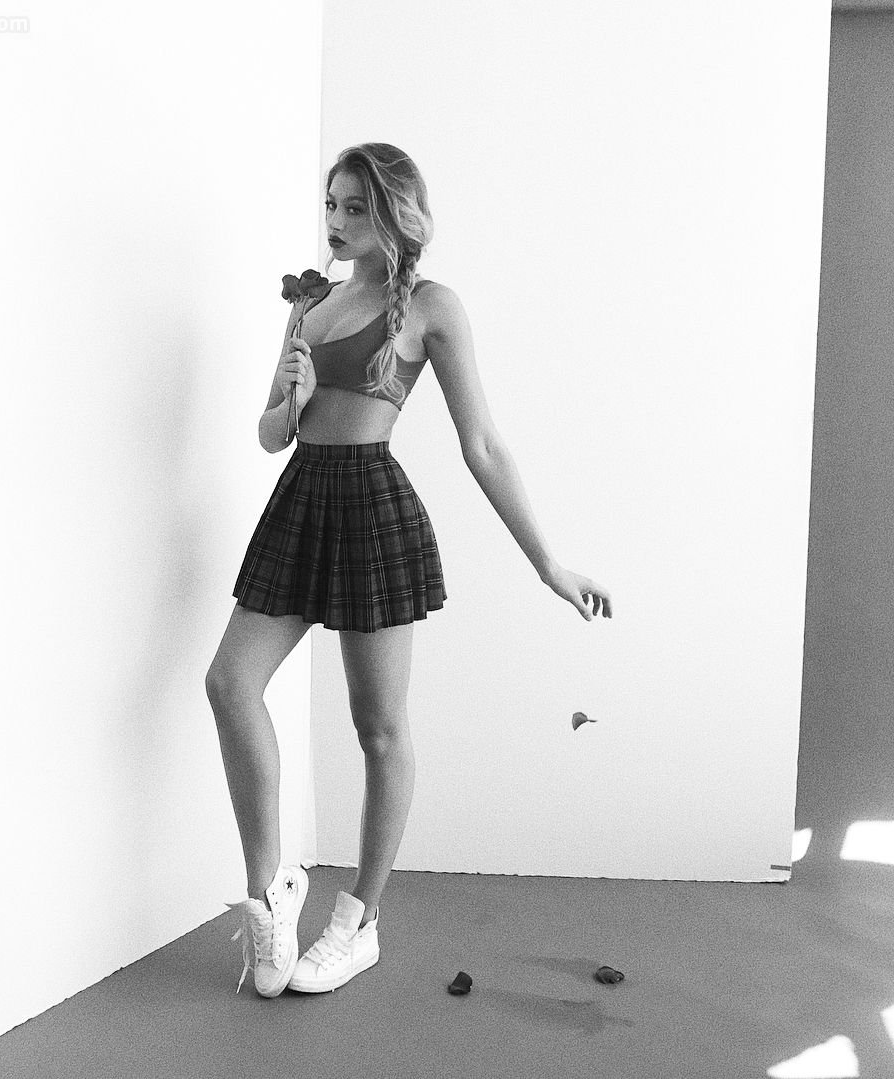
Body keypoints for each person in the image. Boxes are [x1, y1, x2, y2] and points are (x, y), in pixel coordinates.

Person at [205, 142, 612, 998]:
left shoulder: (431, 306)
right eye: (332, 204)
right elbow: (271, 435)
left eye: (356, 207)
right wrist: (292, 397)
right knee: (230, 683)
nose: (338, 221)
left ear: (395, 213)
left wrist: (548, 563)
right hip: (301, 499)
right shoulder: (309, 302)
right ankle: (269, 893)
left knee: (380, 727)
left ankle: (359, 919)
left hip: (371, 509)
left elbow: (483, 444)